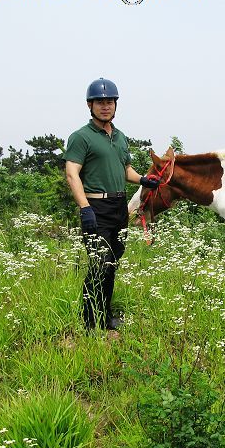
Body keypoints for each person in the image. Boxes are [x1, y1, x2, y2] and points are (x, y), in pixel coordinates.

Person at [64, 78, 160, 331]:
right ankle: (88, 322)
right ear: (90, 105)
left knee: (112, 264)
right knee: (99, 264)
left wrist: (143, 180)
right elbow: (72, 173)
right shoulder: (80, 137)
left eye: (109, 102)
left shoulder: (119, 137)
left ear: (115, 105)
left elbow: (124, 168)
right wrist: (85, 208)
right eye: (100, 102)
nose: (105, 107)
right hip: (95, 207)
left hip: (119, 208)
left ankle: (104, 317)